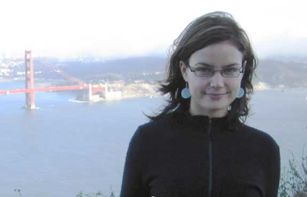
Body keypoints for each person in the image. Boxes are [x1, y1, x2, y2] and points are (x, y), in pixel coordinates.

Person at [120, 11, 280, 197]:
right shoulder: (148, 141)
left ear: (242, 71)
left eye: (230, 70)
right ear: (185, 70)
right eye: (204, 69)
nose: (217, 83)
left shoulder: (264, 149)